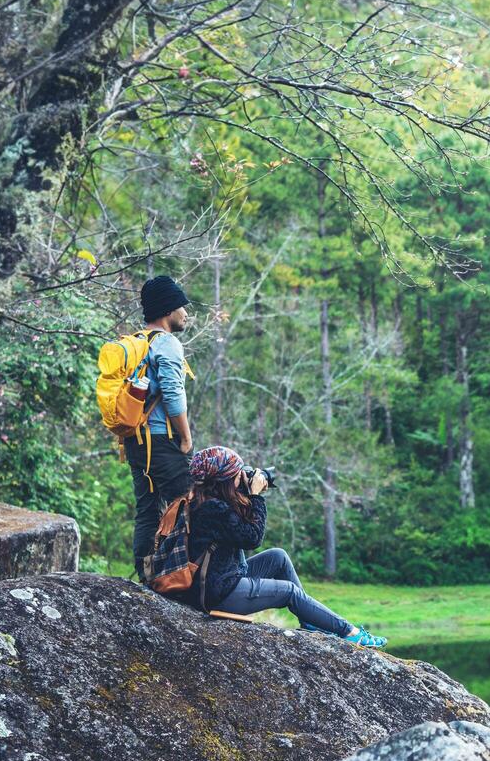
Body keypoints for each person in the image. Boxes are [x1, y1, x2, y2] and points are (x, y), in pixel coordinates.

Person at [183, 445, 387, 649]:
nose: (241, 476)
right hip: (217, 594)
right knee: (289, 591)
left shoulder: (207, 501)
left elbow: (239, 528)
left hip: (219, 578)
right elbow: (253, 538)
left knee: (277, 557)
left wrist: (247, 494)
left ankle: (310, 621)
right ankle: (350, 633)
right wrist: (256, 497)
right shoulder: (213, 508)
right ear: (225, 479)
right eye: (238, 473)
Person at [126, 275, 195, 575]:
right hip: (162, 441)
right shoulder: (167, 343)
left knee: (148, 509)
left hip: (136, 441)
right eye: (182, 306)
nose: (186, 313)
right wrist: (186, 438)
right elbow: (172, 393)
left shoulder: (139, 342)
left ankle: (146, 577)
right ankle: (189, 576)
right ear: (168, 309)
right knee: (192, 502)